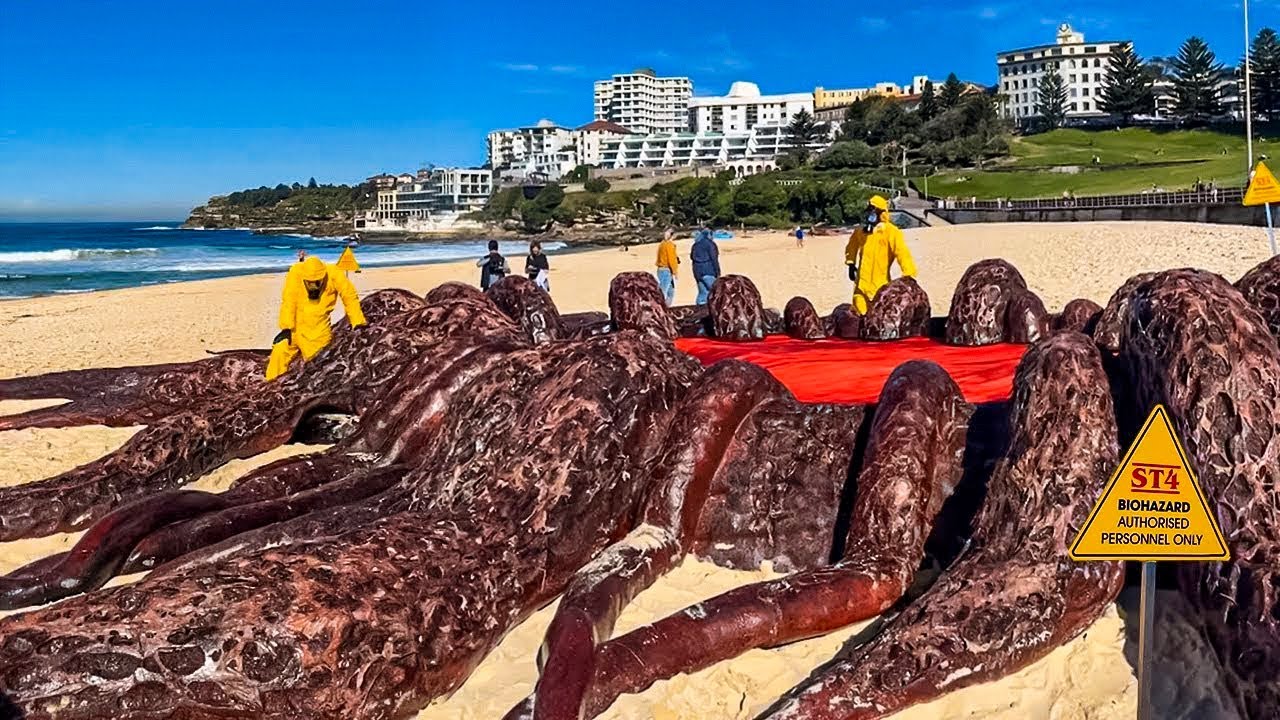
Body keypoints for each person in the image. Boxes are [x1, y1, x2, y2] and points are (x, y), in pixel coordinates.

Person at [265, 255, 366, 381]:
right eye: (310, 282)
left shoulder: (334, 273)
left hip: (317, 330)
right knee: (279, 352)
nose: (313, 286)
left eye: (317, 282)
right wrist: (286, 328)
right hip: (294, 329)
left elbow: (349, 296)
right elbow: (289, 300)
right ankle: (272, 385)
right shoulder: (296, 272)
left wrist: (357, 322)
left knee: (315, 367)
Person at [844, 195, 916, 315]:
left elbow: (902, 252)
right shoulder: (861, 232)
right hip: (861, 285)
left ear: (881, 212)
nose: (870, 214)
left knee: (878, 314)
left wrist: (908, 273)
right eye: (869, 210)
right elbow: (852, 246)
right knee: (859, 312)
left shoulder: (891, 232)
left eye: (874, 211)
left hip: (881, 286)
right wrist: (851, 263)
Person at [691, 226, 721, 305]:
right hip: (708, 271)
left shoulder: (695, 245)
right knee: (716, 293)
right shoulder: (710, 244)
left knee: (703, 294)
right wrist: (718, 272)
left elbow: (692, 257)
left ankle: (699, 313)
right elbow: (714, 259)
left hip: (697, 271)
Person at [655, 228, 680, 305]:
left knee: (670, 292)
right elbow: (671, 259)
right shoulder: (669, 245)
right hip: (666, 270)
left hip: (661, 269)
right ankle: (660, 308)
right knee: (663, 292)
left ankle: (666, 307)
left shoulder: (662, 243)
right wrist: (675, 272)